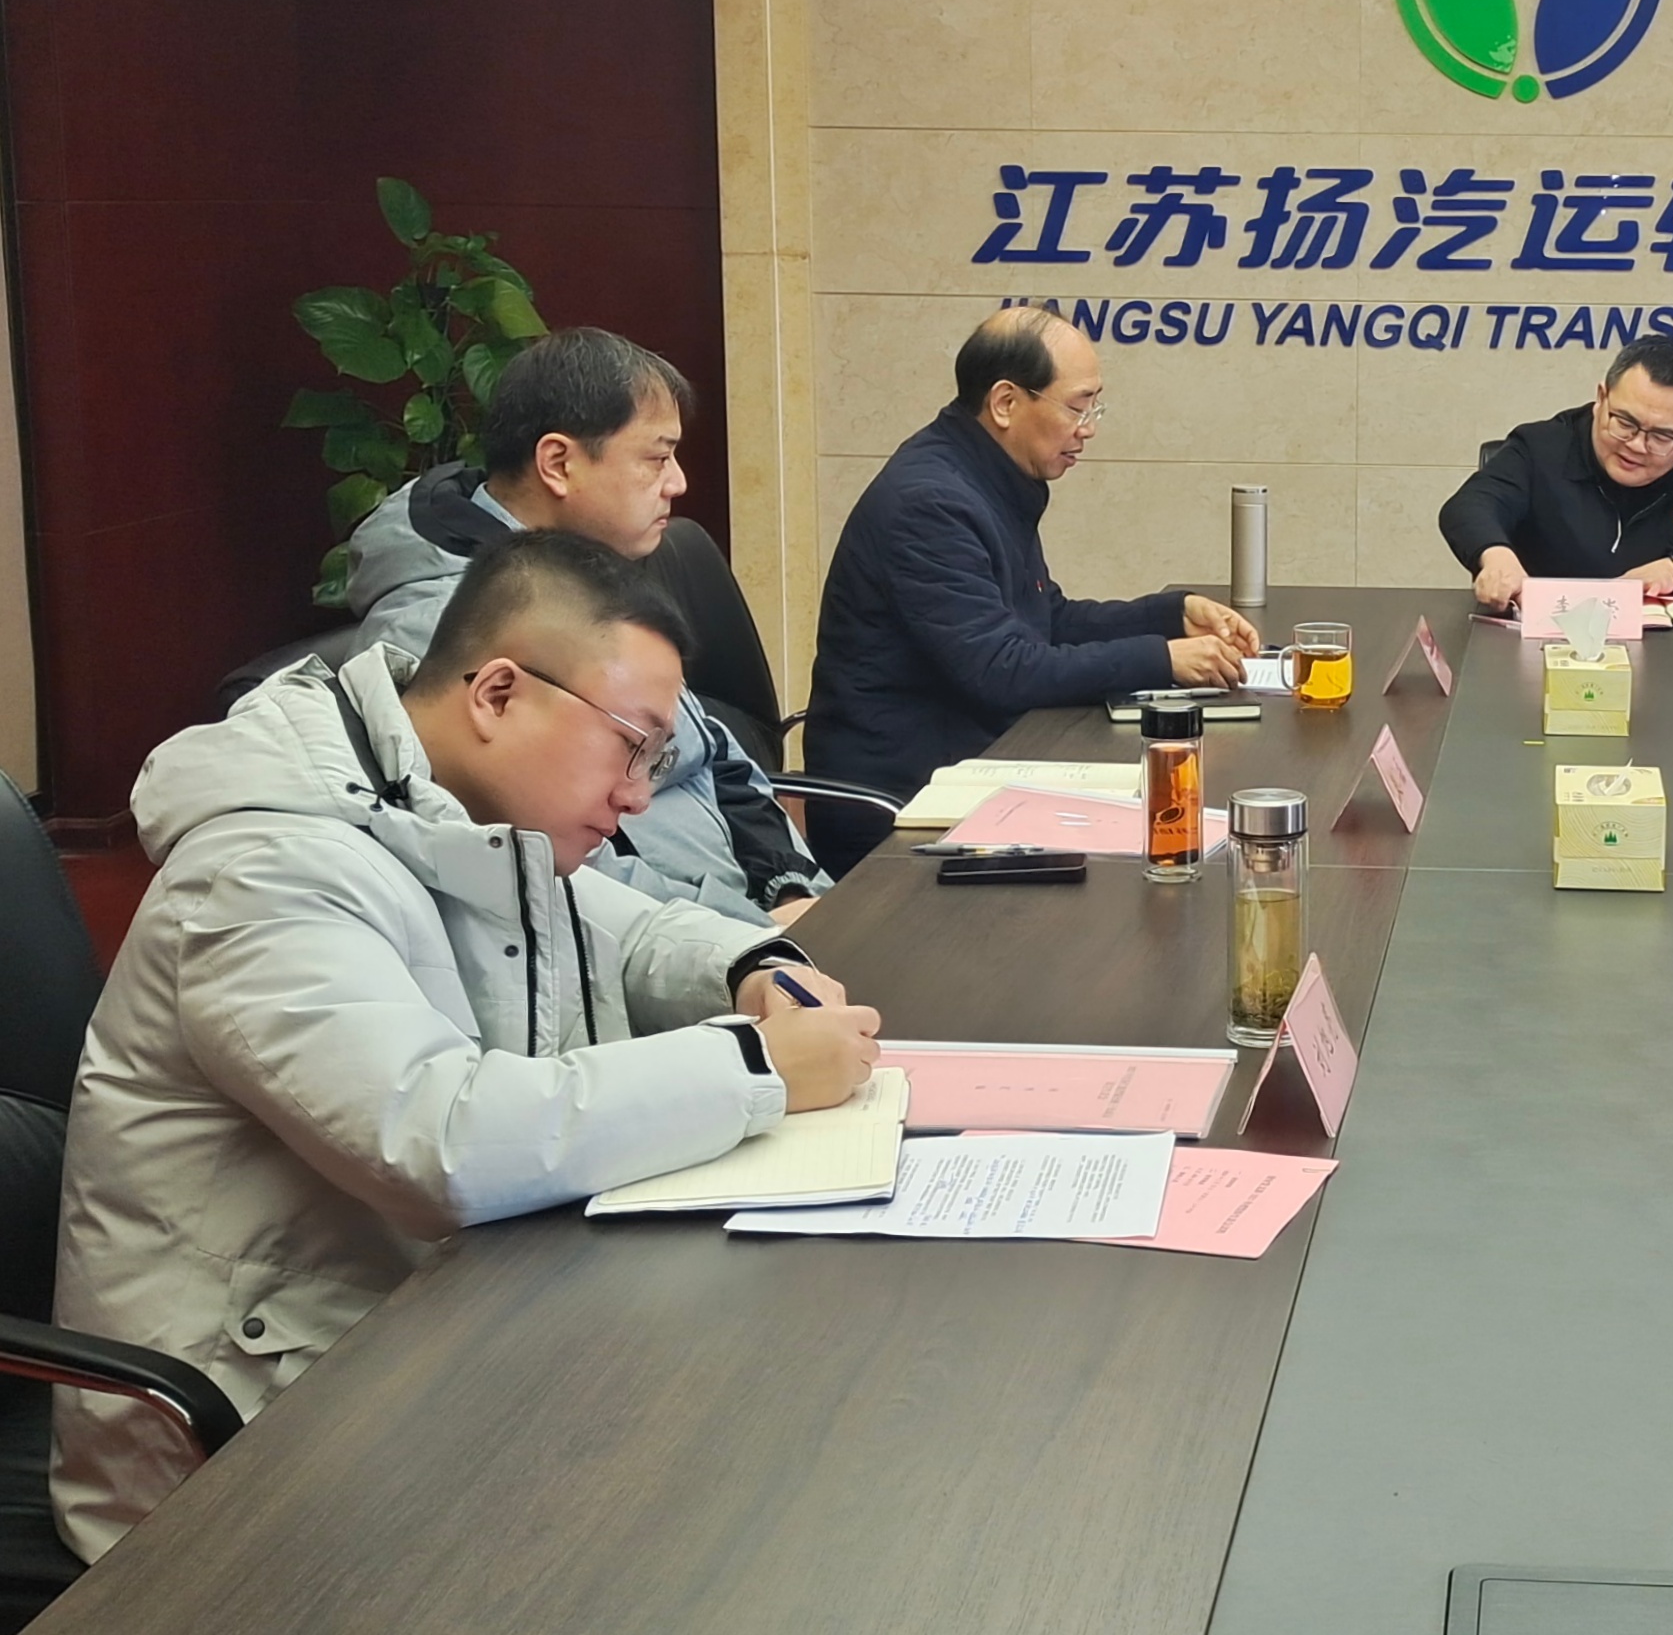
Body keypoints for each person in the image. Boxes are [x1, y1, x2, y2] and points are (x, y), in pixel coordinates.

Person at [52, 532, 881, 1560]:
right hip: (232, 1464)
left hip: (414, 1332)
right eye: (632, 747)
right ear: (497, 694)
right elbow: (438, 1138)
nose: (638, 797)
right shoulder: (268, 867)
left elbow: (627, 932)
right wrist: (755, 1068)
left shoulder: (438, 805)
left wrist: (751, 966)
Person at [343, 326, 830, 923]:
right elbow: (554, 867)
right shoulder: (451, 628)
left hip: (744, 927)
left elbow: (713, 753)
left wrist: (789, 887)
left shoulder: (588, 573)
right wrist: (753, 933)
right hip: (667, 953)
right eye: (657, 458)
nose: (678, 482)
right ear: (559, 464)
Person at [804, 306, 1259, 874]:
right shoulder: (930, 503)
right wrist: (1163, 659)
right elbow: (1002, 669)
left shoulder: (986, 476)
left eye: (1094, 407)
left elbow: (1046, 619)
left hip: (975, 765)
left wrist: (1171, 615)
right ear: (1005, 403)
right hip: (905, 804)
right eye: (1077, 407)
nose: (1088, 428)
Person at [1440, 335, 1673, 610]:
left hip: (1667, 659)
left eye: (1662, 436)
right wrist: (1496, 556)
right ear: (1601, 398)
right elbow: (1469, 506)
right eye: (1624, 422)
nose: (1637, 445)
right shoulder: (1541, 446)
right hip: (1537, 646)